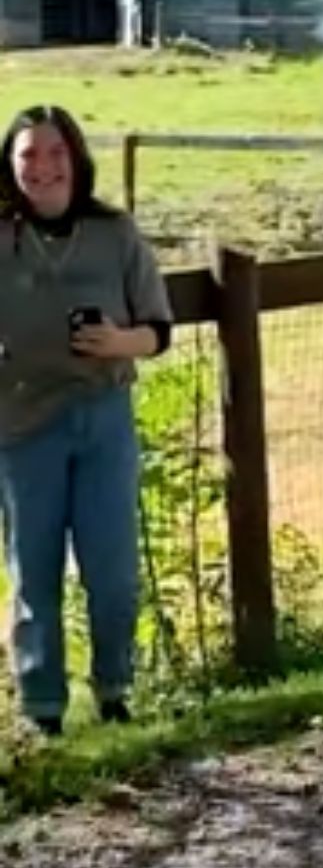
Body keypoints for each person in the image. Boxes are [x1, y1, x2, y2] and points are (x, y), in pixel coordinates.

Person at [0, 105, 172, 737]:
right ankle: (43, 709)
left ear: (75, 159)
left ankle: (115, 692)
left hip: (103, 419)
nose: (42, 168)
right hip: (21, 424)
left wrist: (118, 343)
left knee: (113, 569)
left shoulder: (115, 233)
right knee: (33, 570)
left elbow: (158, 330)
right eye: (28, 157)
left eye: (54, 154)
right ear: (10, 167)